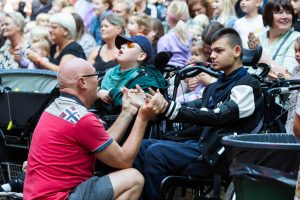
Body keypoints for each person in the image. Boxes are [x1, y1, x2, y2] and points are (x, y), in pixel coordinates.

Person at [133, 28, 264, 200]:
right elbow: (190, 107)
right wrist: (155, 103)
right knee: (141, 147)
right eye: (211, 52)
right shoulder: (214, 86)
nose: (212, 56)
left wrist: (168, 108)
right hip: (202, 145)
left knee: (155, 153)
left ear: (237, 51)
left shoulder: (249, 86)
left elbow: (218, 116)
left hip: (221, 157)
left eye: (219, 51)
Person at [23, 58, 164, 200]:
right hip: (59, 197)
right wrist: (143, 117)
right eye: (96, 75)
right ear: (82, 82)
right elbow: (124, 160)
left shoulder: (54, 108)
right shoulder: (82, 119)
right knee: (134, 178)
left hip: (37, 195)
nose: (99, 81)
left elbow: (103, 143)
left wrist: (128, 111)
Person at [98, 34, 167, 115]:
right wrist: (98, 91)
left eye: (130, 45)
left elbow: (134, 103)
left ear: (141, 56)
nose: (123, 46)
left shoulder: (146, 78)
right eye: (122, 45)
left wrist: (111, 92)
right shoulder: (111, 72)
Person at [248, 0, 300, 79]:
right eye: (279, 12)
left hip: (276, 89)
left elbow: (289, 77)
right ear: (268, 16)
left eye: (288, 12)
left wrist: (259, 55)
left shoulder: (296, 38)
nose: (285, 16)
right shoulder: (261, 37)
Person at [285, 37, 300, 134]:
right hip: (291, 115)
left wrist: (287, 78)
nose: (297, 54)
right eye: (296, 51)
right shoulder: (296, 69)